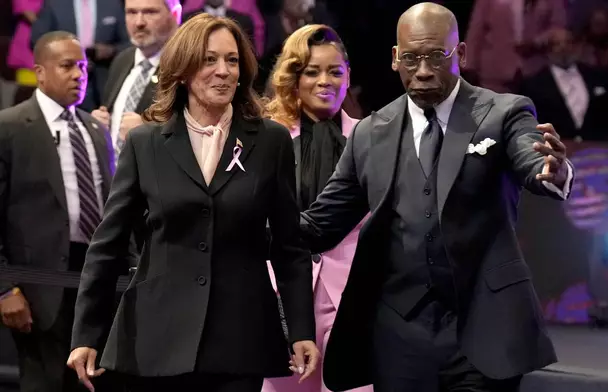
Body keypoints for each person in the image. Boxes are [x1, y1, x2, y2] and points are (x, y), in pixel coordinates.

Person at [299, 3, 574, 392]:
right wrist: (243, 219)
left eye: (435, 57)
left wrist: (553, 171)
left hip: (482, 330)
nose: (423, 71)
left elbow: (533, 158)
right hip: (397, 337)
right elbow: (319, 225)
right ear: (395, 59)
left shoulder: (504, 112)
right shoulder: (370, 133)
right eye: (411, 59)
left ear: (459, 53)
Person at [66, 14, 319, 392]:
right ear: (183, 70)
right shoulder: (146, 142)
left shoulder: (270, 141)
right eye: (209, 60)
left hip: (240, 338)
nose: (223, 72)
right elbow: (107, 245)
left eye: (232, 60)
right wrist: (85, 334)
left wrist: (300, 329)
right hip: (158, 337)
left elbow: (289, 246)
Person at [0, 31, 115, 392]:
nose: (79, 74)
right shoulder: (9, 127)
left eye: (83, 66)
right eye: (68, 66)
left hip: (97, 284)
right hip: (39, 291)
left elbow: (112, 208)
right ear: (40, 72)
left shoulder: (96, 130)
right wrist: (4, 289)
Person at [261, 24, 372, 392]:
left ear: (348, 76)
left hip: (353, 299)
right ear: (294, 77)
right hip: (281, 298)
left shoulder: (372, 136)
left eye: (335, 71)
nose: (325, 81)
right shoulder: (264, 138)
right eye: (312, 71)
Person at [91, 0, 182, 157]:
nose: (139, 22)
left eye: (150, 12)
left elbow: (202, 140)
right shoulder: (122, 59)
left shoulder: (189, 67)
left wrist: (149, 135)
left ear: (175, 15)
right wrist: (98, 125)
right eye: (132, 12)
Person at [30, 0, 130, 111]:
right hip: (64, 85)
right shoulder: (54, 3)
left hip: (104, 81)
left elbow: (130, 43)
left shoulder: (112, 3)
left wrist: (111, 50)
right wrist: (68, 56)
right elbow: (38, 41)